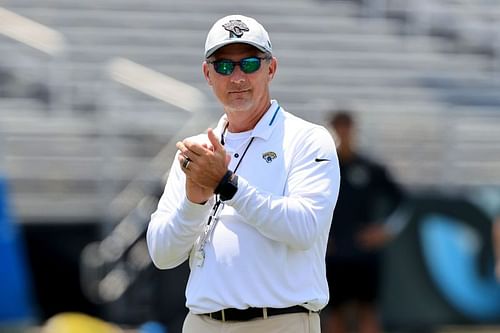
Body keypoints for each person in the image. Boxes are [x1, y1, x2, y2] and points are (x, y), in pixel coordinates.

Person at [146, 14, 340, 333]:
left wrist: (228, 186)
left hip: (280, 322)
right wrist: (194, 203)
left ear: (271, 69)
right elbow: (162, 255)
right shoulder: (196, 149)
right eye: (224, 66)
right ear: (207, 74)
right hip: (202, 322)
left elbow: (305, 228)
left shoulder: (308, 138)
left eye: (249, 64)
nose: (236, 77)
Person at [324, 111, 404, 333]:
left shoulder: (370, 168)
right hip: (333, 252)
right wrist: (318, 237)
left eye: (346, 128)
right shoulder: (321, 168)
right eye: (337, 128)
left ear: (353, 130)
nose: (342, 133)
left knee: (368, 310)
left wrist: (386, 230)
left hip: (364, 252)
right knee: (334, 311)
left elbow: (402, 201)